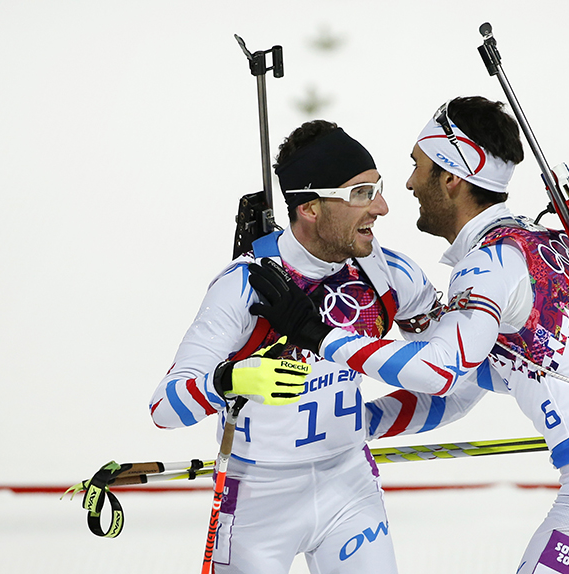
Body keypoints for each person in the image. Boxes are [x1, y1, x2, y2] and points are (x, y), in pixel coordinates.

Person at [249, 97, 569, 574]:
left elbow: (440, 372)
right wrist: (350, 425)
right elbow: (461, 390)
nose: (406, 184)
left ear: (451, 178)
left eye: (417, 167)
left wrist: (318, 334)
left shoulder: (489, 265)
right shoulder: (544, 244)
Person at [149, 120, 483, 574]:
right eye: (361, 194)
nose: (382, 207)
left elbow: (455, 381)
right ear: (309, 207)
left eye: (377, 189)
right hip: (257, 498)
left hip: (350, 491)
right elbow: (165, 407)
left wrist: (363, 423)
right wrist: (231, 379)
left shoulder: (388, 275)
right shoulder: (245, 287)